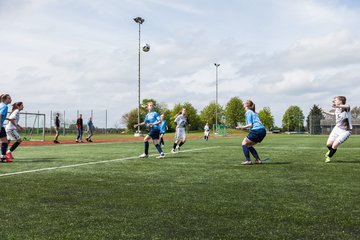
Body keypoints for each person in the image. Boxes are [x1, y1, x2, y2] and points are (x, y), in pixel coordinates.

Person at [322, 96, 352, 163]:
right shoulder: (337, 109)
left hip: (346, 131)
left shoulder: (345, 109)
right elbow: (334, 114)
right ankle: (331, 151)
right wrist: (325, 112)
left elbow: (348, 106)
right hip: (337, 128)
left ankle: (328, 156)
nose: (334, 101)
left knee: (334, 145)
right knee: (328, 144)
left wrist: (337, 106)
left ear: (341, 101)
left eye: (335, 100)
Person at [236, 100, 266, 165]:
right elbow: (251, 126)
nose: (243, 104)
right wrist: (243, 128)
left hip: (257, 130)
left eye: (244, 103)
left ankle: (248, 160)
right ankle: (257, 160)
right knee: (249, 145)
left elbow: (250, 125)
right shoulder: (253, 112)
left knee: (244, 143)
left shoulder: (248, 112)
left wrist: (241, 127)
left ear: (246, 105)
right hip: (263, 131)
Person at [0, 94, 12, 163]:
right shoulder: (4, 106)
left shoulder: (0, 105)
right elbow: (0, 116)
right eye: (9, 98)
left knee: (4, 141)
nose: (10, 100)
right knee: (4, 141)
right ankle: (3, 158)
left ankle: (3, 157)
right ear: (4, 99)